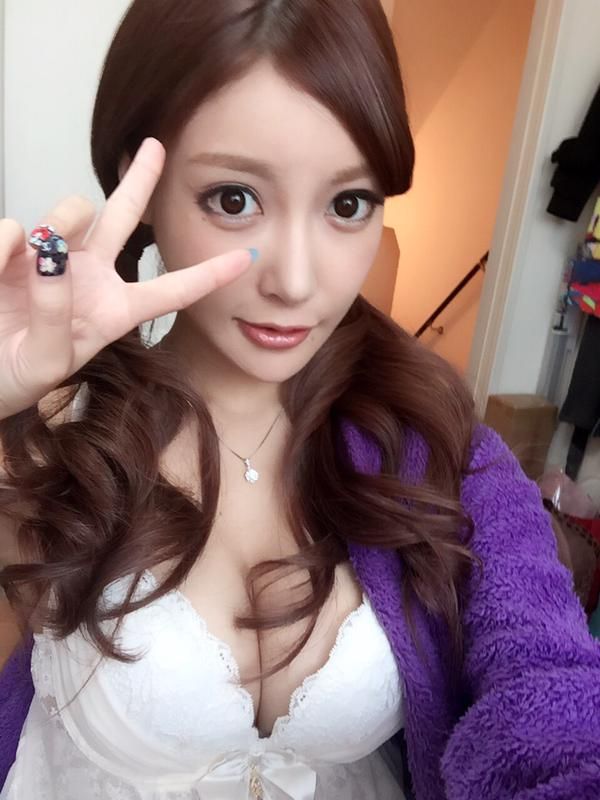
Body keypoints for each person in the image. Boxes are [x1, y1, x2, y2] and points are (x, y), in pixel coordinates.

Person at [1, 1, 600, 798]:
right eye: (234, 198)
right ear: (139, 187)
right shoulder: (48, 440)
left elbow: (549, 688)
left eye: (347, 204)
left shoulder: (436, 445)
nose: (295, 280)